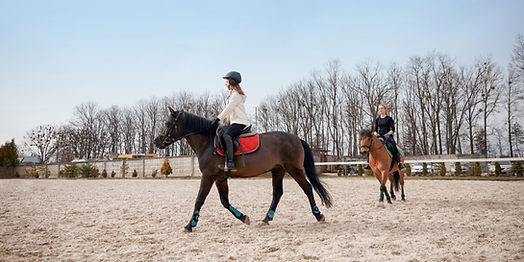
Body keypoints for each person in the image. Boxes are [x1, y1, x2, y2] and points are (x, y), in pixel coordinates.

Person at [210, 71, 248, 172]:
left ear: (232, 82)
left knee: (227, 135)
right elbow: (229, 113)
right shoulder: (232, 94)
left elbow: (229, 109)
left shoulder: (236, 95)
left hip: (239, 122)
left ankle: (231, 162)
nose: (225, 84)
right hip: (233, 122)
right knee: (221, 133)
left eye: (227, 82)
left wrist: (218, 119)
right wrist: (220, 122)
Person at [372, 104, 405, 170]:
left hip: (388, 136)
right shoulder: (377, 120)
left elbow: (392, 129)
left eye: (381, 108)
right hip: (379, 136)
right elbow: (375, 130)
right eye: (379, 109)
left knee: (393, 146)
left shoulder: (389, 119)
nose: (380, 110)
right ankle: (369, 162)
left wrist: (387, 134)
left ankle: (399, 163)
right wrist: (376, 134)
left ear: (385, 109)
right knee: (371, 145)